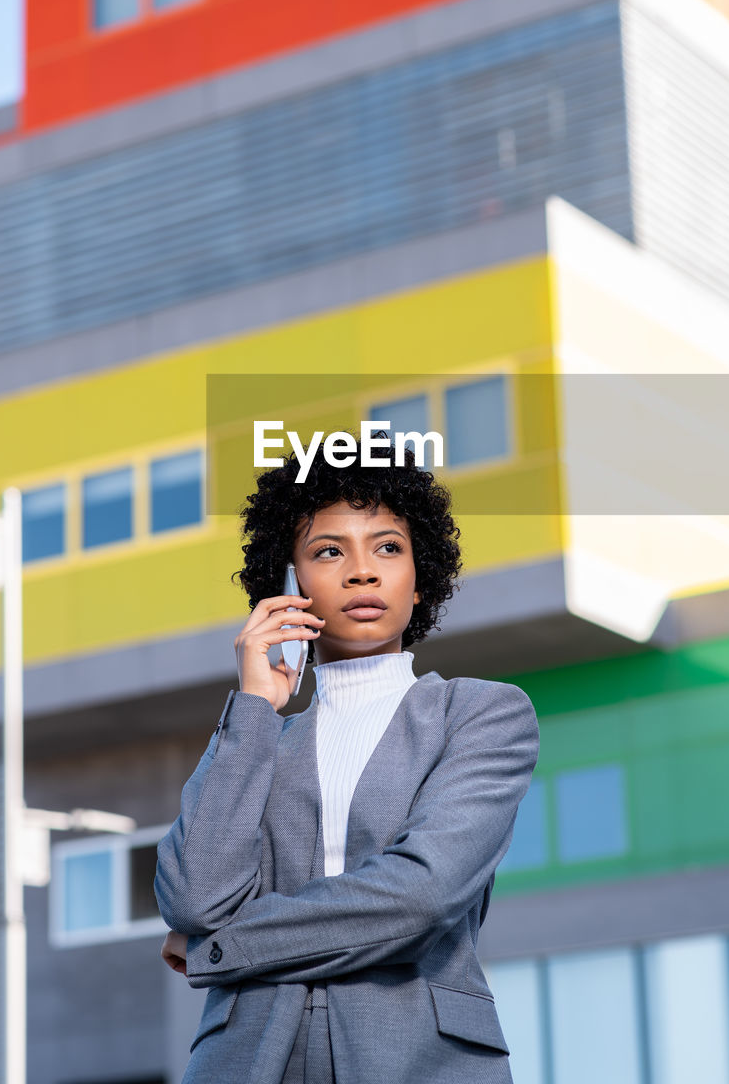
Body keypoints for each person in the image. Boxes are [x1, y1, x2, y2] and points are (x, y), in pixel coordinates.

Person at [155, 431, 540, 1084]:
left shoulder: (480, 714)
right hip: (246, 1065)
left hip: (420, 1060)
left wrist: (223, 949)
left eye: (388, 548)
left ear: (421, 581)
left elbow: (420, 896)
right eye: (329, 551)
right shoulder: (257, 742)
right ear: (288, 583)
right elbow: (193, 901)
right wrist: (255, 703)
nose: (363, 571)